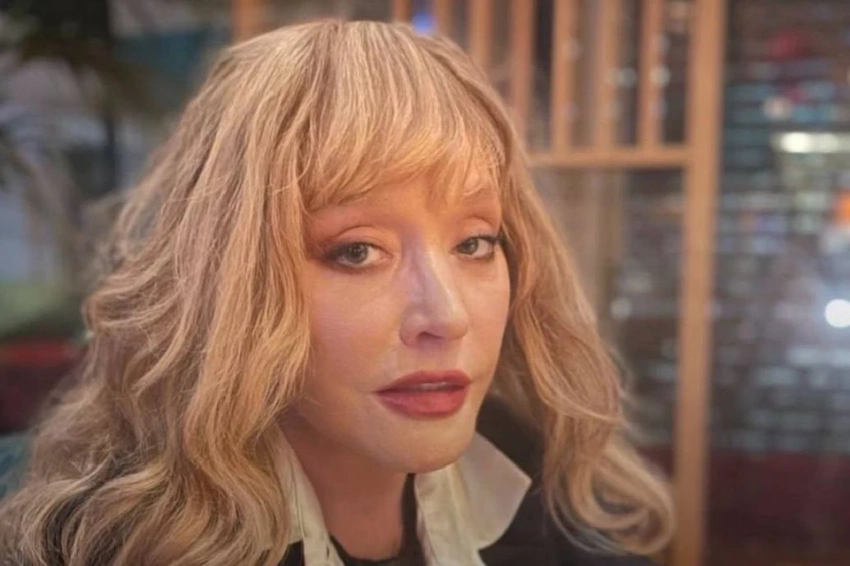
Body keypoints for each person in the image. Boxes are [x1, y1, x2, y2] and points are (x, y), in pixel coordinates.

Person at [0, 20, 673, 566]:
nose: (446, 316)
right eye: (356, 252)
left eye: (474, 243)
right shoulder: (110, 541)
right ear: (231, 283)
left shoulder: (534, 482)